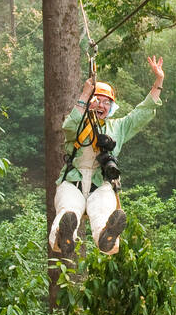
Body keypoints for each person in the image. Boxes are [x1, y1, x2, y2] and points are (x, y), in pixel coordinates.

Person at [50, 56, 164, 259]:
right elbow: (68, 126)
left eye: (106, 102)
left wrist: (158, 81)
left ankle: (106, 236)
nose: (102, 105)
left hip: (100, 183)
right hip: (73, 180)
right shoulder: (79, 120)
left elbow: (142, 113)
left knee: (102, 212)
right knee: (68, 210)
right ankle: (63, 236)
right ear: (91, 101)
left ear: (111, 107)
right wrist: (85, 97)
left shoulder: (117, 127)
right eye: (98, 100)